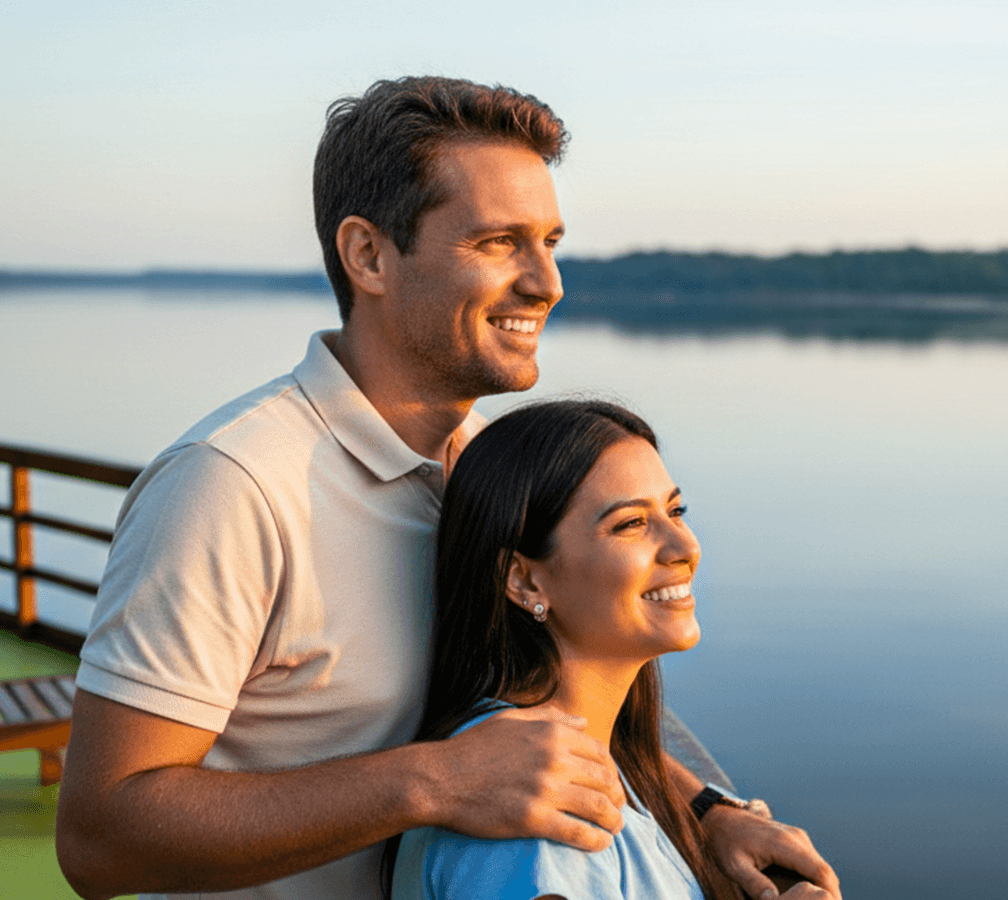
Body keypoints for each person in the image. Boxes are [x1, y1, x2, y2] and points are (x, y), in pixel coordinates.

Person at [55, 76, 839, 900]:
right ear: (369, 255)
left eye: (551, 241)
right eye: (499, 242)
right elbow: (101, 839)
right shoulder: (235, 487)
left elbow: (542, 716)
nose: (548, 282)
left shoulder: (473, 462)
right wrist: (432, 782)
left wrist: (703, 811)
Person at [388, 399, 832, 900]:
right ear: (524, 579)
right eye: (630, 524)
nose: (684, 547)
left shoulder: (577, 757)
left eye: (674, 511)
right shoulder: (531, 814)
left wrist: (709, 810)